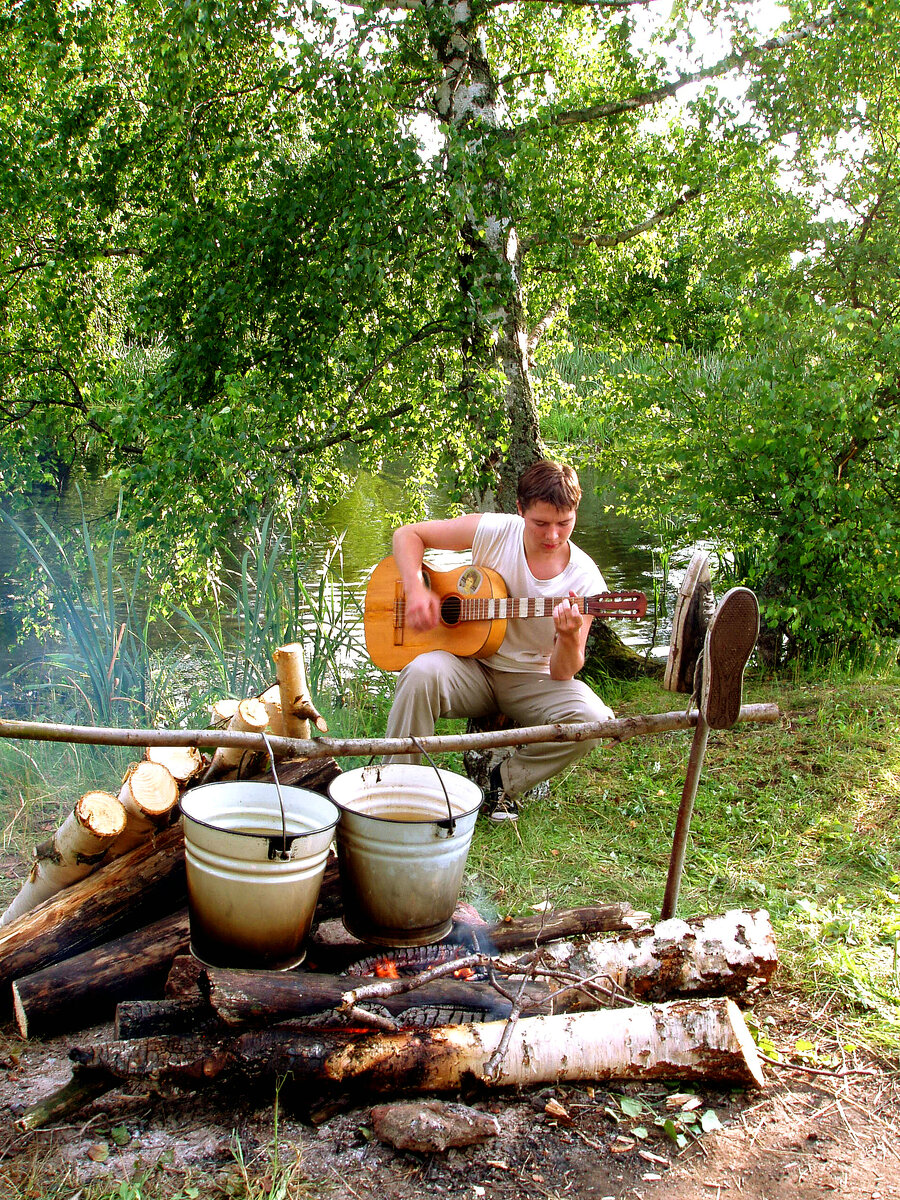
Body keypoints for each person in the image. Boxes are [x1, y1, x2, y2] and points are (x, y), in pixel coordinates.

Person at [383, 459, 614, 821]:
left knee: (593, 720)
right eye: (540, 523)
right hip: (470, 666)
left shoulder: (584, 578)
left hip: (530, 679)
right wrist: (415, 588)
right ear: (520, 510)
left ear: (575, 514)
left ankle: (501, 783)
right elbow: (407, 535)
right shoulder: (493, 530)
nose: (552, 536)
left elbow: (563, 670)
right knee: (419, 673)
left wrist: (568, 637)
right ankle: (399, 791)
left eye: (564, 524)